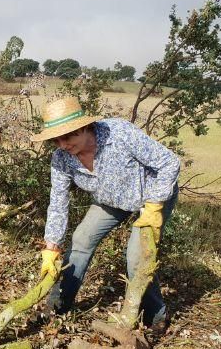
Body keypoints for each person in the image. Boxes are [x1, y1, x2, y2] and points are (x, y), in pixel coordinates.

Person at [32, 96, 180, 328]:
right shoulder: (61, 159)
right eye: (55, 140)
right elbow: (58, 201)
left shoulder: (120, 134)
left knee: (136, 257)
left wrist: (154, 204)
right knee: (81, 239)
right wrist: (51, 247)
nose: (62, 145)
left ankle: (155, 317)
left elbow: (169, 162)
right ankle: (58, 305)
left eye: (68, 136)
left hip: (152, 197)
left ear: (84, 127)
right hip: (110, 200)